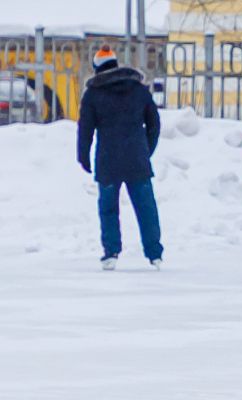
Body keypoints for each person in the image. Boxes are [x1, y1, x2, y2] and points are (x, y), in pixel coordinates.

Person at [77, 45, 163, 271]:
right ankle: (155, 253)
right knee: (146, 207)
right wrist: (146, 148)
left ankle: (111, 252)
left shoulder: (93, 93)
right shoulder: (138, 89)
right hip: (137, 158)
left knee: (108, 208)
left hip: (108, 159)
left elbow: (85, 129)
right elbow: (154, 122)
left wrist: (83, 156)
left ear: (96, 68)